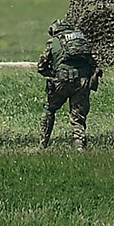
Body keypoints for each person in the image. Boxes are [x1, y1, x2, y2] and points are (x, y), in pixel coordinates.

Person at [35, 19, 103, 150]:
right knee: (78, 115)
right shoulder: (81, 39)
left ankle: (42, 145)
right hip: (83, 81)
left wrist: (54, 74)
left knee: (49, 110)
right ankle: (79, 146)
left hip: (61, 81)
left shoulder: (53, 42)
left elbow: (41, 67)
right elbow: (92, 62)